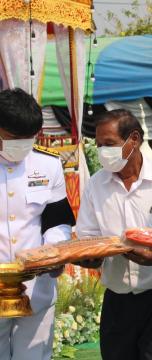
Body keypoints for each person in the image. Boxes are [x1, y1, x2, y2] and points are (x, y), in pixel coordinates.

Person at [75, 109, 152, 360]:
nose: (103, 152)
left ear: (134, 139)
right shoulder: (96, 184)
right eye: (99, 145)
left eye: (109, 144)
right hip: (119, 300)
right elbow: (88, 236)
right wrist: (89, 256)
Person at [0, 88, 75, 360]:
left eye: (27, 139)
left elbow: (58, 220)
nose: (20, 145)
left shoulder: (48, 164)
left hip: (36, 289)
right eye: (11, 139)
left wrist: (53, 251)